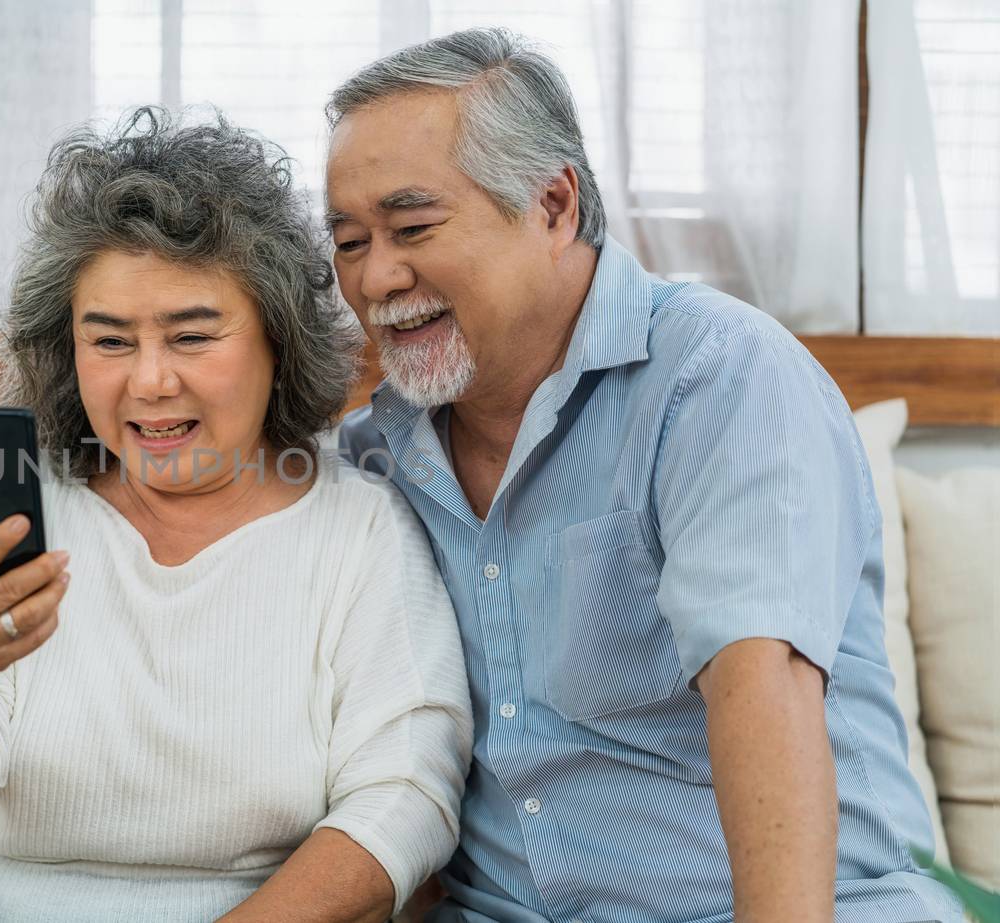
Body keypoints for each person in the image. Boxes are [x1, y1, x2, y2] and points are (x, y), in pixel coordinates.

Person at [328, 28, 962, 923]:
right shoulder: (372, 454)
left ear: (552, 205)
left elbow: (765, 682)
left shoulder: (721, 376)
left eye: (412, 227)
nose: (377, 277)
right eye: (349, 241)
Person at [0, 108, 473, 923]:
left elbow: (405, 795)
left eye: (192, 335)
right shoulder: (15, 509)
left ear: (277, 339)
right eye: (111, 342)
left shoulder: (359, 529)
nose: (150, 382)